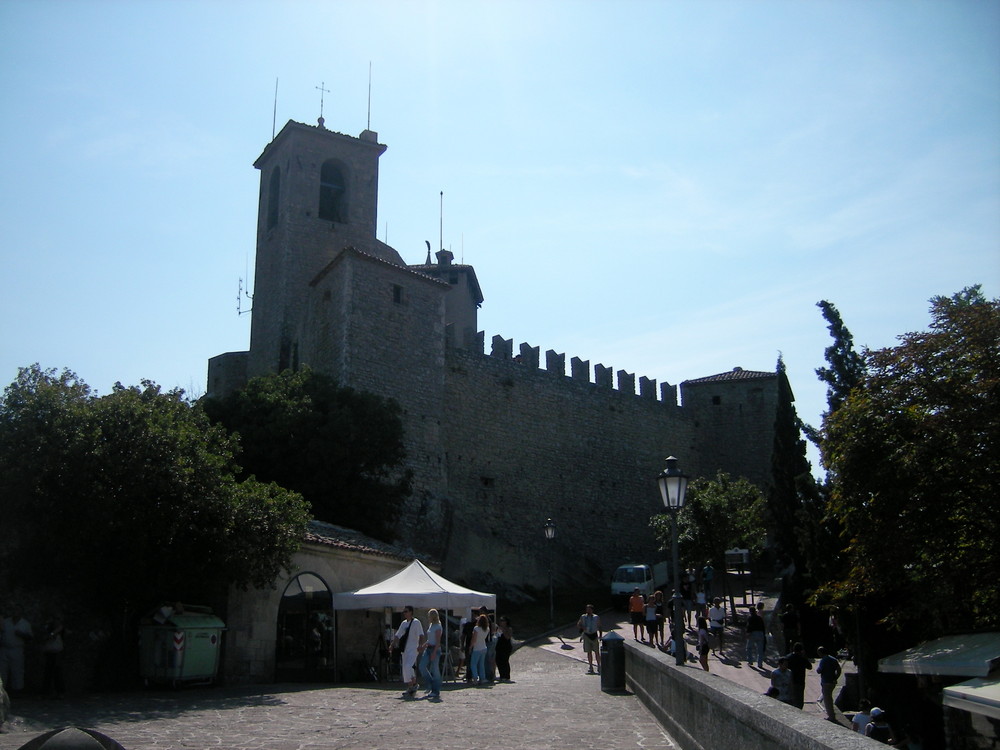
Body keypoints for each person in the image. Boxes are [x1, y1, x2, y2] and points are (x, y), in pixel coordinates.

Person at [391, 605, 424, 698]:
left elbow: (421, 635)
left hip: (413, 648)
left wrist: (420, 645)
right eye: (404, 611)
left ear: (411, 612)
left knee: (408, 666)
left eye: (406, 611)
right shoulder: (404, 623)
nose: (404, 613)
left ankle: (414, 683)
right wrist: (392, 645)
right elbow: (398, 635)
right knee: (405, 668)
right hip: (404, 649)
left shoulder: (416, 623)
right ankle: (411, 686)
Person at [0, 608, 33, 695]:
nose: (15, 613)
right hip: (4, 648)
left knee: (17, 670)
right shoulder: (5, 622)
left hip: (17, 649)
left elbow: (30, 637)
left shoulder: (25, 624)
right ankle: (2, 691)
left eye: (17, 611)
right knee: (2, 670)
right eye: (13, 611)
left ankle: (17, 691)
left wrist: (22, 635)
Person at [417, 608, 443, 699]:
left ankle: (436, 690)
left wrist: (434, 653)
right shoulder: (431, 625)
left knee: (435, 670)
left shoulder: (438, 627)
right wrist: (423, 646)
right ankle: (429, 684)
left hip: (435, 649)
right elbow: (430, 639)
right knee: (422, 666)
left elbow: (438, 641)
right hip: (428, 648)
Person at [41, 615, 67, 698]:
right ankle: (47, 692)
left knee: (57, 672)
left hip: (57, 652)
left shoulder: (59, 628)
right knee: (48, 672)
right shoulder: (47, 628)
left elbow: (58, 630)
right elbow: (45, 637)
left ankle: (60, 692)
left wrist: (52, 634)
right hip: (49, 652)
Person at [816, 646, 842, 721]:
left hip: (826, 681)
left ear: (821, 653)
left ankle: (831, 716)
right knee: (830, 698)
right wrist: (836, 677)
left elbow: (819, 670)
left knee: (827, 700)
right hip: (832, 681)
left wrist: (818, 669)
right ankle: (832, 714)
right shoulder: (833, 659)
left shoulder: (823, 660)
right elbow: (839, 669)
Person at [786, 642, 812, 709]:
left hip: (791, 679)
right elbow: (810, 667)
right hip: (800, 680)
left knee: (791, 696)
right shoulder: (802, 658)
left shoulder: (789, 657)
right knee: (799, 698)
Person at [577, 604, 602, 674]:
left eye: (589, 609)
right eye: (587, 609)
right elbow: (578, 624)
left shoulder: (596, 617)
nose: (588, 610)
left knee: (597, 652)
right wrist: (582, 628)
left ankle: (599, 666)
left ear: (592, 610)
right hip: (587, 635)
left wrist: (600, 635)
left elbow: (599, 626)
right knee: (589, 652)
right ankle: (590, 666)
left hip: (594, 635)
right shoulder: (583, 617)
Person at [469, 614, 490, 684]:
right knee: (481, 664)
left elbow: (474, 639)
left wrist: (470, 646)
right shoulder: (487, 629)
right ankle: (482, 678)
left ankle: (475, 677)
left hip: (477, 648)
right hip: (484, 647)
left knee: (473, 664)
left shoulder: (476, 629)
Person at [494, 616, 513, 682]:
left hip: (506, 646)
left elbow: (508, 637)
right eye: (500, 621)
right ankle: (502, 675)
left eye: (503, 621)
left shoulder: (508, 628)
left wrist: (504, 630)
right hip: (499, 646)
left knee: (505, 661)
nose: (501, 622)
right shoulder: (498, 628)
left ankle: (506, 676)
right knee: (498, 660)